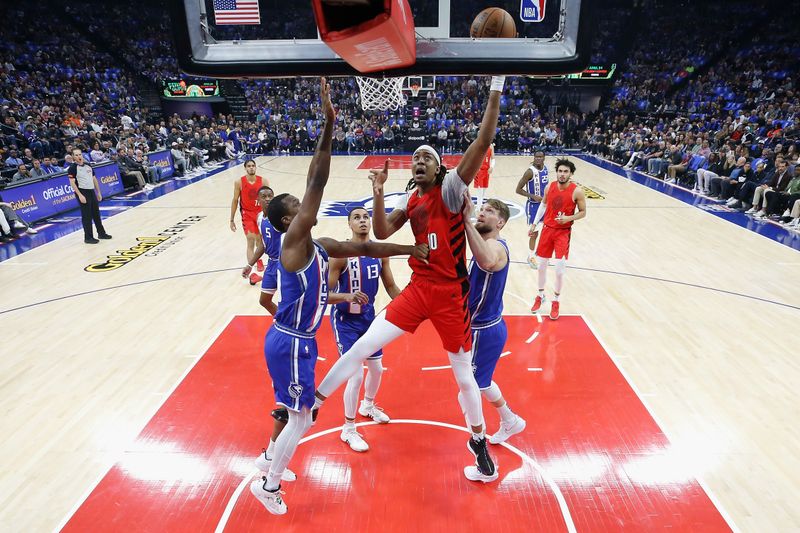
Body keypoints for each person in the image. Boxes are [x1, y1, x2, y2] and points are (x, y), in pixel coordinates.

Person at [313, 75, 508, 484]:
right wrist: (380, 192)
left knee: (463, 375)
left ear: (440, 169)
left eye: (427, 158)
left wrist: (496, 81)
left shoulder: (452, 189)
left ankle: (479, 443)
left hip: (452, 296)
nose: (419, 161)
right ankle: (314, 403)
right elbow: (382, 233)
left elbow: (483, 137)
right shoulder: (412, 197)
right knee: (364, 346)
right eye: (415, 157)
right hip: (419, 290)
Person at [250, 79, 429, 515]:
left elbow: (367, 247)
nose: (307, 204)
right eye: (300, 204)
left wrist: (409, 249)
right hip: (291, 339)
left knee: (305, 405)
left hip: (301, 340)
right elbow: (317, 178)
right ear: (291, 217)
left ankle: (269, 459)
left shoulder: (320, 245)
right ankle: (268, 483)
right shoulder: (293, 240)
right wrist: (329, 123)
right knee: (302, 416)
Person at [328, 206, 402, 452]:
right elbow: (324, 294)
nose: (362, 221)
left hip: (369, 319)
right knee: (355, 374)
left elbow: (390, 285)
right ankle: (348, 429)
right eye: (356, 218)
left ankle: (367, 406)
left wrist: (411, 304)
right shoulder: (340, 254)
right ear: (349, 225)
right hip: (345, 321)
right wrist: (347, 296)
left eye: (365, 217)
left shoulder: (380, 253)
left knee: (377, 368)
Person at [460, 192, 525, 445]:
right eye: (481, 209)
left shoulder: (496, 247)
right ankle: (510, 420)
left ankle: (478, 445)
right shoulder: (484, 243)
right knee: (482, 382)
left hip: (484, 331)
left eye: (489, 211)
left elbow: (487, 260)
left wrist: (466, 221)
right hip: (482, 328)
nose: (481, 212)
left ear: (500, 223)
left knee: (468, 392)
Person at [530, 158, 586, 320]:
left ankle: (556, 300)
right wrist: (534, 224)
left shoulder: (577, 191)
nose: (562, 174)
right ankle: (540, 296)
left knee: (560, 270)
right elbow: (544, 205)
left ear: (571, 174)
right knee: (541, 266)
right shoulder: (550, 186)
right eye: (560, 171)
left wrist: (568, 218)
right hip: (547, 230)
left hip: (563, 233)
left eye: (565, 171)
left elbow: (583, 212)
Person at [230, 159, 270, 285]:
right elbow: (235, 200)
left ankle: (257, 259)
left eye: (253, 166)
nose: (251, 168)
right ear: (245, 168)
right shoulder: (239, 182)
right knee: (250, 240)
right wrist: (231, 219)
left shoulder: (263, 181)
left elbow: (269, 198)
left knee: (260, 240)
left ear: (256, 167)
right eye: (249, 166)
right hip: (247, 214)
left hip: (260, 214)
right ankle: (252, 274)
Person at [242, 186, 280, 311]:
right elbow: (264, 244)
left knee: (287, 301)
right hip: (271, 264)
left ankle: (289, 326)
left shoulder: (280, 218)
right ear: (258, 199)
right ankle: (280, 321)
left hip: (285, 264)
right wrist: (249, 265)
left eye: (270, 196)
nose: (268, 199)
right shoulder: (259, 218)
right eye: (264, 197)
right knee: (264, 301)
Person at [67, 148, 112, 244]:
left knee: (96, 214)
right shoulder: (73, 168)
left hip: (91, 191)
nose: (79, 156)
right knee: (87, 216)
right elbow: (72, 183)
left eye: (80, 154)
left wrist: (98, 192)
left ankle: (101, 233)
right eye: (76, 155)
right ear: (73, 157)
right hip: (83, 192)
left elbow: (94, 179)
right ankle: (88, 237)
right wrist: (79, 195)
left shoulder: (88, 165)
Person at [516, 150, 549, 269]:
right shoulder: (529, 172)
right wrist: (533, 196)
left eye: (541, 157)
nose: (538, 159)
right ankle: (530, 257)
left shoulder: (546, 169)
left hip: (545, 206)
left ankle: (539, 254)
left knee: (545, 232)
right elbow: (518, 189)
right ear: (534, 157)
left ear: (544, 158)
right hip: (533, 206)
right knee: (534, 234)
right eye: (536, 157)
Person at [473, 143, 494, 212]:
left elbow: (493, 158)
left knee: (484, 189)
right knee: (480, 189)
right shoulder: (478, 145)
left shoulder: (490, 146)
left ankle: (480, 204)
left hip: (486, 170)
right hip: (479, 170)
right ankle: (479, 207)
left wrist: (492, 166)